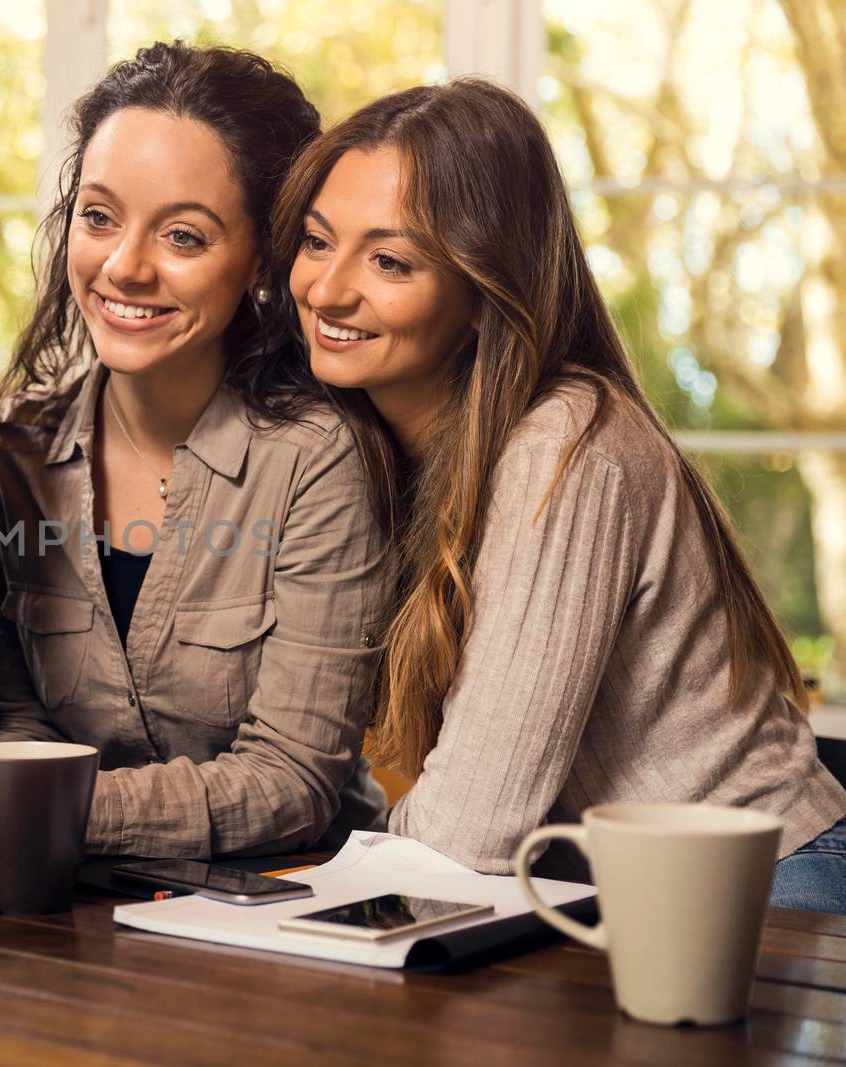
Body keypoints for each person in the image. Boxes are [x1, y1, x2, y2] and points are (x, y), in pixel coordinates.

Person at [271, 78, 846, 912]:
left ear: (482, 292)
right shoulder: (373, 442)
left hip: (766, 890)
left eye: (389, 260)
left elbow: (473, 825)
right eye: (318, 241)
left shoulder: (569, 446)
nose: (326, 290)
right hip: (603, 892)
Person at [0, 41, 389, 874]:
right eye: (99, 217)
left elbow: (292, 779)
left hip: (285, 911)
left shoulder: (318, 460)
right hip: (58, 904)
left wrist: (32, 807)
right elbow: (7, 714)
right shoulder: (14, 451)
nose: (124, 267)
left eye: (184, 237)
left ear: (263, 260)